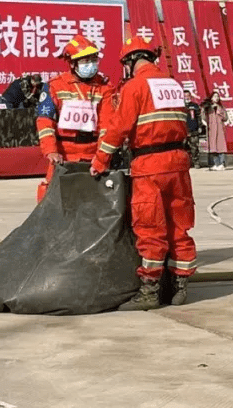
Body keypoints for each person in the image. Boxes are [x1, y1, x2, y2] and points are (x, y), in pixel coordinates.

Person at [91, 34, 196, 311]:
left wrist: (101, 160)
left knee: (150, 227)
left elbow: (118, 128)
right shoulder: (173, 84)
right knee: (179, 225)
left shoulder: (135, 87)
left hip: (150, 164)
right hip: (179, 163)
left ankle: (150, 291)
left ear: (129, 62)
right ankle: (180, 286)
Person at [34, 35, 115, 203]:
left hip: (93, 155)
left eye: (93, 60)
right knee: (51, 199)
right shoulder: (55, 86)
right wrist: (51, 151)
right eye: (85, 61)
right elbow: (45, 122)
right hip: (64, 155)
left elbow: (107, 126)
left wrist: (102, 157)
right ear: (72, 63)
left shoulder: (104, 88)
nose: (91, 65)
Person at [204, 91, 229, 170]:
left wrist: (219, 112)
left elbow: (225, 118)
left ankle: (222, 163)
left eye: (217, 96)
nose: (216, 98)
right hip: (212, 129)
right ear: (211, 98)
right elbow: (203, 117)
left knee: (220, 147)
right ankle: (216, 164)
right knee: (213, 147)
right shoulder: (208, 107)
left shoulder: (221, 107)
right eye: (215, 96)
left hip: (220, 129)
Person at [184, 91, 205, 168]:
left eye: (188, 95)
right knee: (183, 147)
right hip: (183, 130)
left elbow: (199, 117)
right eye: (185, 95)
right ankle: (186, 163)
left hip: (194, 129)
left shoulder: (195, 106)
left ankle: (196, 162)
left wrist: (200, 126)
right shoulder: (180, 106)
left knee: (194, 147)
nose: (187, 97)